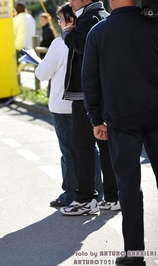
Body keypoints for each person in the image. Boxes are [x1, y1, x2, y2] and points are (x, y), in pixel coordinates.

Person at [82, 0, 158, 264]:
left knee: (128, 187)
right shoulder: (153, 24)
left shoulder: (100, 32)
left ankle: (135, 254)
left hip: (121, 118)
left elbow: (89, 78)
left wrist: (96, 119)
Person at [34, 3, 103, 207]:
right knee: (91, 150)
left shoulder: (59, 43)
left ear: (69, 20)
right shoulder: (91, 37)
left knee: (70, 152)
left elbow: (42, 74)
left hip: (63, 107)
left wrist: (38, 63)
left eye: (60, 19)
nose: (59, 23)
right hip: (87, 104)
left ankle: (72, 194)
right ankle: (97, 191)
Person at [59, 0, 120, 216]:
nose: (71, 1)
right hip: (103, 92)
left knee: (81, 146)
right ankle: (112, 197)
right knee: (105, 146)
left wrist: (66, 33)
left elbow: (82, 46)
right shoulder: (103, 14)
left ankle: (86, 199)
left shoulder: (88, 18)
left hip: (87, 93)